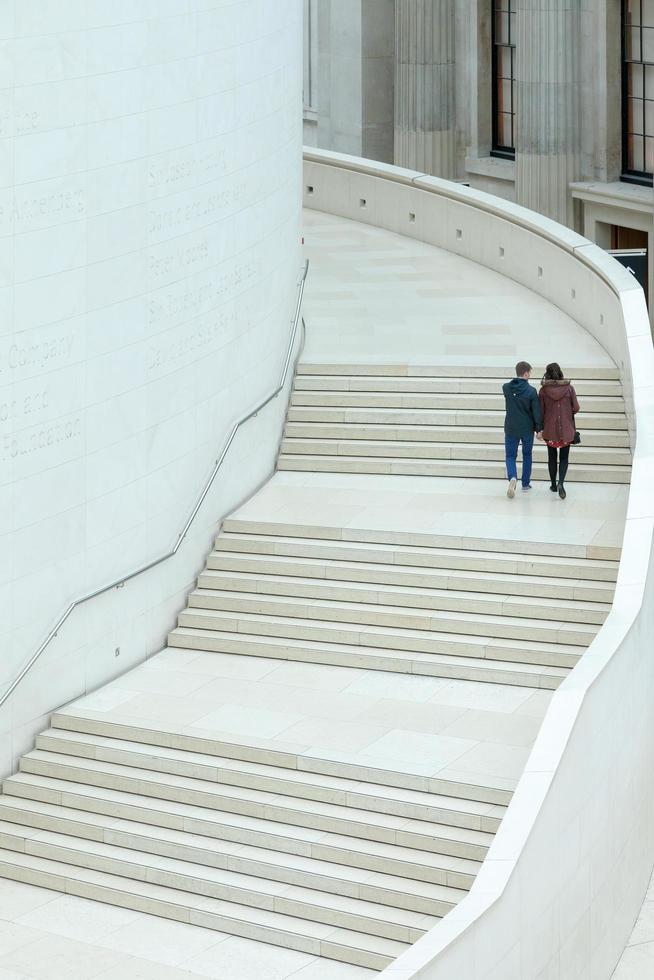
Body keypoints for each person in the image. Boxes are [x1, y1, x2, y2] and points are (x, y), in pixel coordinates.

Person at [539, 362, 580, 500]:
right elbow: (576, 407)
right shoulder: (569, 388)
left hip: (550, 430)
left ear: (547, 374)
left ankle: (553, 485)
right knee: (564, 458)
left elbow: (541, 411)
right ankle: (561, 483)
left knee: (551, 457)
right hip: (566, 429)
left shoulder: (543, 391)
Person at [502, 360, 543, 498]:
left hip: (511, 427)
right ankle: (525, 484)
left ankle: (512, 477)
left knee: (510, 456)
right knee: (527, 455)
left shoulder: (506, 388)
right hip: (527, 429)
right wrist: (539, 429)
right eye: (530, 372)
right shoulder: (531, 391)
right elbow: (536, 412)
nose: (530, 375)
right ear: (526, 373)